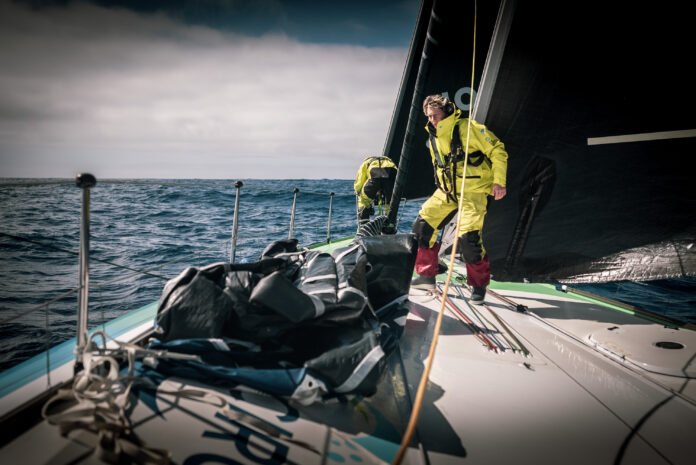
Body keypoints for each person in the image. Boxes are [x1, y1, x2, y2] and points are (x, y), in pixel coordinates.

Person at [410, 94, 508, 304]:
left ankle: (479, 286)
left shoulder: (468, 128)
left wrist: (499, 181)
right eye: (428, 116)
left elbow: (498, 150)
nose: (432, 120)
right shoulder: (433, 136)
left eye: (435, 115)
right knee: (422, 226)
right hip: (447, 192)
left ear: (446, 112)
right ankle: (426, 276)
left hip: (473, 191)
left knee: (468, 240)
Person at [353, 155, 398, 226]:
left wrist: (357, 190)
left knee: (363, 199)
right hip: (390, 177)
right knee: (389, 203)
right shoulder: (390, 162)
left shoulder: (366, 163)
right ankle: (390, 226)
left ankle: (364, 224)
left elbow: (359, 181)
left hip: (374, 179)